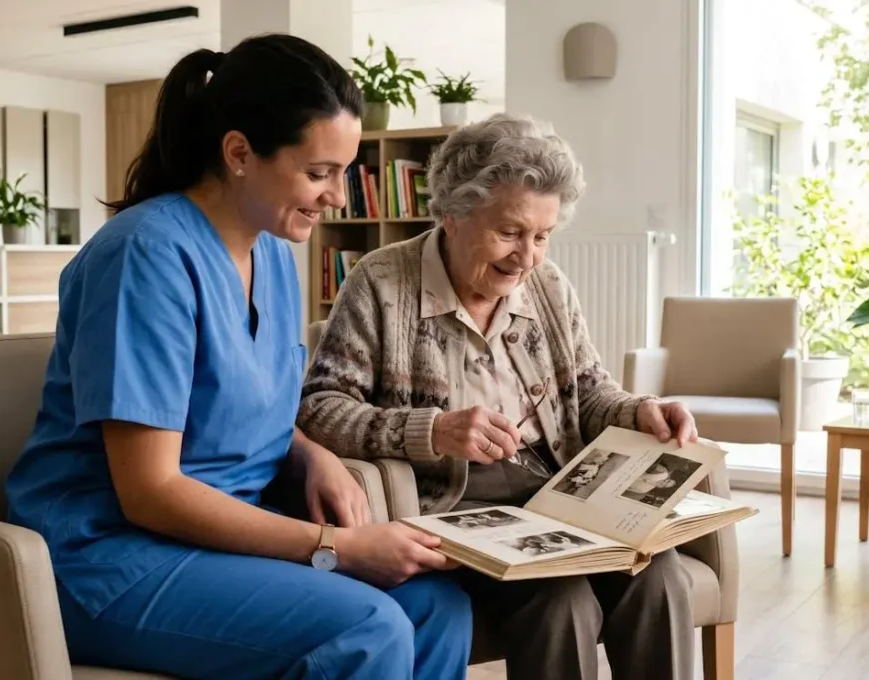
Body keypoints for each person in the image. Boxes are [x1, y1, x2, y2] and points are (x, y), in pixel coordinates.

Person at [3, 34, 472, 680]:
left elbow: (247, 397)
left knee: (437, 606)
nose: (338, 196)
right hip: (114, 558)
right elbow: (150, 492)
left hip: (220, 541)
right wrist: (336, 547)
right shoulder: (144, 255)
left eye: (345, 170)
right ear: (239, 153)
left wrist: (311, 453)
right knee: (369, 628)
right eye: (319, 172)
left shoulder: (274, 254)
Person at [298, 113, 700, 680]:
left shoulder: (549, 285)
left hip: (555, 488)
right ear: (451, 215)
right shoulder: (381, 281)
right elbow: (319, 409)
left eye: (543, 236)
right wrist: (432, 431)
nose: (528, 257)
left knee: (658, 577)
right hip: (453, 505)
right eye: (510, 233)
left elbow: (587, 391)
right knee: (562, 601)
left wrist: (638, 411)